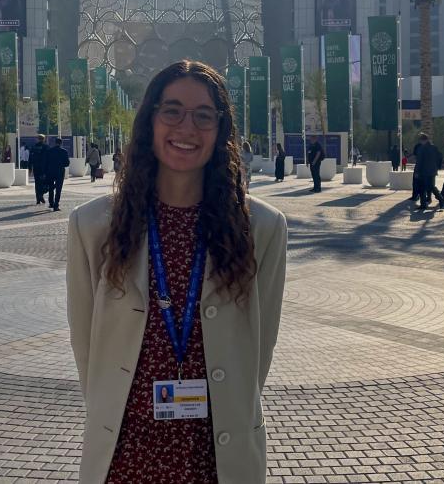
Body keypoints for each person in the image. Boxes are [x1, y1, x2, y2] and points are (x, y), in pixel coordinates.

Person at [66, 60, 287, 484]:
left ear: (221, 130)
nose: (187, 128)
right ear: (150, 120)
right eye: (172, 111)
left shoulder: (261, 229)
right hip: (125, 456)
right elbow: (86, 349)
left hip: (218, 457)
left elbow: (258, 352)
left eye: (204, 115)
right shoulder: (94, 227)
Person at [413, 133, 444, 210]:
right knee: (431, 186)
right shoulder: (434, 147)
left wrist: (416, 171)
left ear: (422, 140)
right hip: (432, 171)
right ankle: (440, 198)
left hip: (424, 171)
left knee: (422, 188)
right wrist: (437, 166)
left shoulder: (422, 148)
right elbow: (440, 157)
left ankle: (424, 204)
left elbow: (419, 161)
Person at [45, 137, 69, 211]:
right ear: (61, 143)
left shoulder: (49, 151)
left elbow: (46, 162)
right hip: (60, 171)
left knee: (51, 187)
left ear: (55, 143)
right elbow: (67, 163)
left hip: (51, 171)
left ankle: (51, 203)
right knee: (58, 188)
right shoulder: (64, 151)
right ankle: (56, 205)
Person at [30, 135, 49, 205]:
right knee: (44, 183)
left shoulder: (34, 147)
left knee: (37, 183)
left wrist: (30, 167)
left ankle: (38, 199)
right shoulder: (46, 147)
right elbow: (48, 158)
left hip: (36, 168)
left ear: (38, 139)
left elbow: (30, 157)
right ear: (43, 139)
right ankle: (41, 194)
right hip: (43, 168)